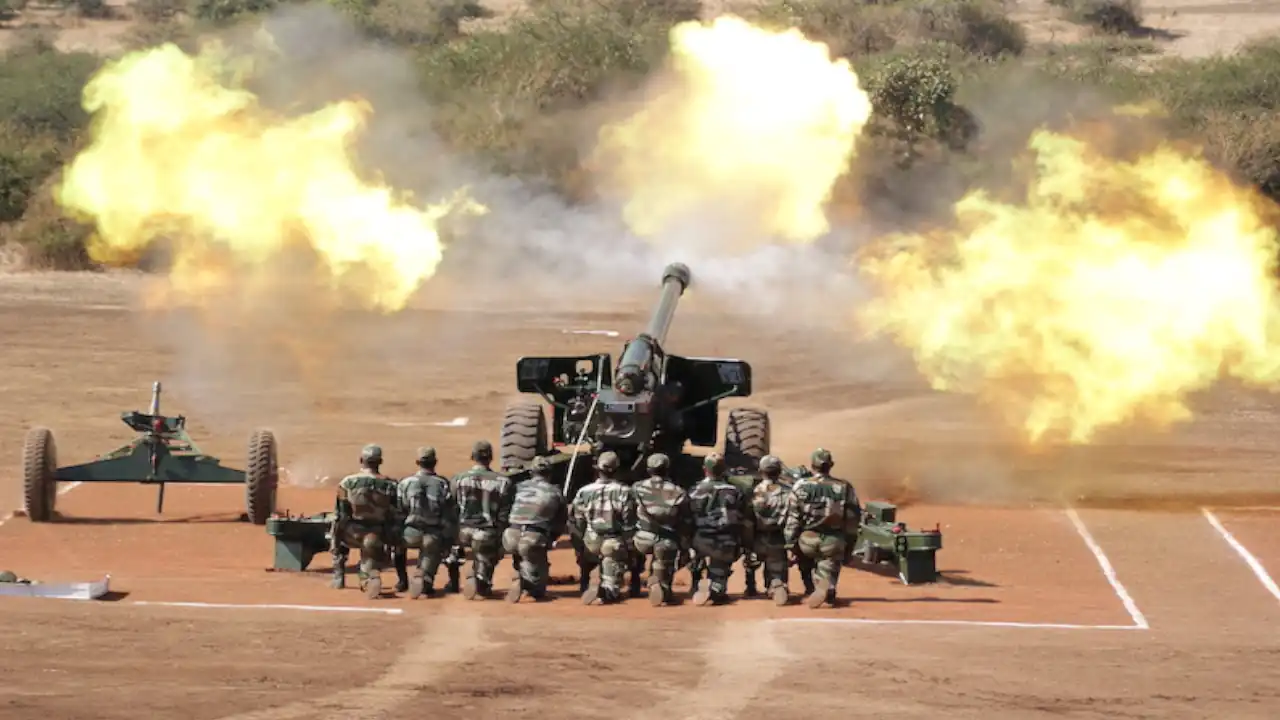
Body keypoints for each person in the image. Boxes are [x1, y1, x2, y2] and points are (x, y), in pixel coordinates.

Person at [783, 447, 861, 609]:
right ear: (830, 465)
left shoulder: (801, 486)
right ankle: (828, 587)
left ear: (812, 465)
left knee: (805, 555)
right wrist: (849, 545)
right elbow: (853, 520)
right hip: (832, 541)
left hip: (807, 541)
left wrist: (791, 545)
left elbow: (793, 519)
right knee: (830, 561)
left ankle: (810, 587)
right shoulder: (844, 487)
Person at [331, 444, 400, 599]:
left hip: (351, 534)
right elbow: (394, 514)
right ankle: (367, 577)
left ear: (361, 460)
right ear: (380, 462)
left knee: (337, 529)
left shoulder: (347, 483)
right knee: (370, 558)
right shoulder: (391, 485)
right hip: (376, 535)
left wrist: (336, 538)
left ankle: (338, 575)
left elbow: (341, 514)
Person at [451, 440, 516, 600]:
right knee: (491, 551)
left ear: (472, 456)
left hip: (462, 532)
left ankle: (452, 581)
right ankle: (481, 578)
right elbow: (505, 515)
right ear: (491, 457)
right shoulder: (503, 482)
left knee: (453, 549)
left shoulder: (457, 479)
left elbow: (451, 508)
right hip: (486, 533)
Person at [572, 451, 637, 605]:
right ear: (616, 469)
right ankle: (606, 590)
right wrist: (630, 549)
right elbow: (629, 523)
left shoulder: (583, 491)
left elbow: (578, 521)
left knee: (587, 554)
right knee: (614, 574)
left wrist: (580, 544)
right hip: (612, 542)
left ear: (597, 469)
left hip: (591, 541)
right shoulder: (624, 491)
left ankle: (586, 581)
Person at [687, 452, 752, 606]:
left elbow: (686, 518)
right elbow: (745, 520)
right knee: (720, 568)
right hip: (725, 542)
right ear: (724, 470)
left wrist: (687, 542)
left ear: (704, 469)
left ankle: (697, 580)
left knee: (696, 552)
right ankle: (716, 586)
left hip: (700, 540)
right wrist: (745, 544)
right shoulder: (735, 491)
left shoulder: (695, 490)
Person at [502, 455, 568, 602]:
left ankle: (519, 575)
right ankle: (530, 587)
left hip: (510, 535)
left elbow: (506, 510)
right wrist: (551, 538)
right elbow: (561, 521)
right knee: (537, 557)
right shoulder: (555, 492)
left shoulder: (518, 487)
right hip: (533, 536)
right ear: (550, 473)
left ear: (531, 472)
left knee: (520, 551)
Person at [394, 446, 458, 599]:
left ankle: (402, 581)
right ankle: (425, 578)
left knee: (397, 546)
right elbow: (449, 512)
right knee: (432, 551)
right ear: (435, 462)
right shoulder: (442, 483)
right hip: (432, 534)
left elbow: (398, 510)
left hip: (409, 534)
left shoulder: (405, 483)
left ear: (417, 462)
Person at [631, 452, 692, 606]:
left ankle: (634, 582)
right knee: (663, 560)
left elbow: (629, 515)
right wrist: (685, 544)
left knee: (632, 552)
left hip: (642, 538)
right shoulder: (678, 492)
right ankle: (662, 588)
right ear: (667, 469)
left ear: (648, 469)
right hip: (666, 540)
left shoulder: (637, 488)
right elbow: (685, 521)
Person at [748, 455, 795, 606]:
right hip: (778, 539)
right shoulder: (788, 492)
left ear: (760, 470)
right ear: (779, 471)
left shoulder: (753, 492)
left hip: (757, 540)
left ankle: (750, 585)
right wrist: (791, 544)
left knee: (750, 562)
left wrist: (746, 542)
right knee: (777, 567)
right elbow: (793, 519)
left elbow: (747, 520)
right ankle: (777, 583)